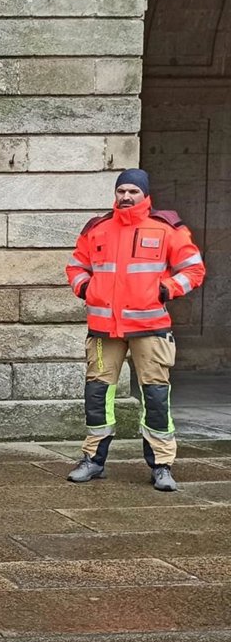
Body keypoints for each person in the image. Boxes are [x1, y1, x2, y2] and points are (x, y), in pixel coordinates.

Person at [64, 167, 206, 492]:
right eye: (121, 191)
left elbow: (194, 269)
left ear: (145, 195)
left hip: (150, 327)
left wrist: (165, 290)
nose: (126, 196)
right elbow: (76, 266)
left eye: (133, 191)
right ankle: (93, 460)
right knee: (97, 395)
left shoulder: (166, 229)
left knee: (155, 396)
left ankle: (161, 465)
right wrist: (86, 288)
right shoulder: (97, 229)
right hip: (104, 329)